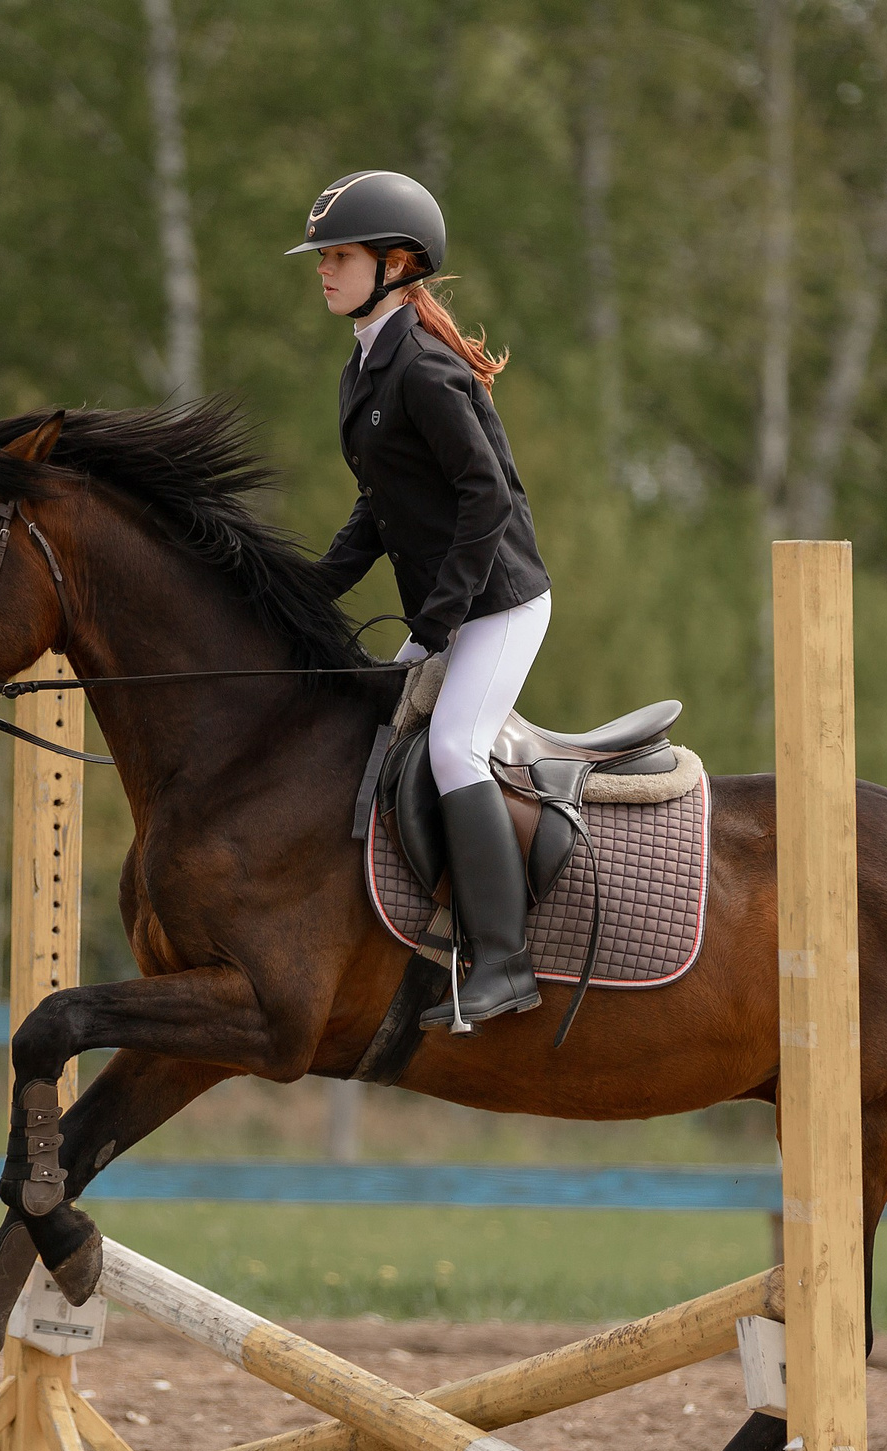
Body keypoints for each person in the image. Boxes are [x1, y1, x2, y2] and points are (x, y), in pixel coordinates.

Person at [289, 169, 552, 1033]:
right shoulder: (366, 367)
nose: (324, 270)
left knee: (453, 747)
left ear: (397, 263)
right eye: (322, 257)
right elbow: (382, 503)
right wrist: (315, 586)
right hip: (451, 606)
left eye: (340, 256)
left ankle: (505, 964)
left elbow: (487, 500)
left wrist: (436, 623)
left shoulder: (426, 370)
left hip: (501, 604)